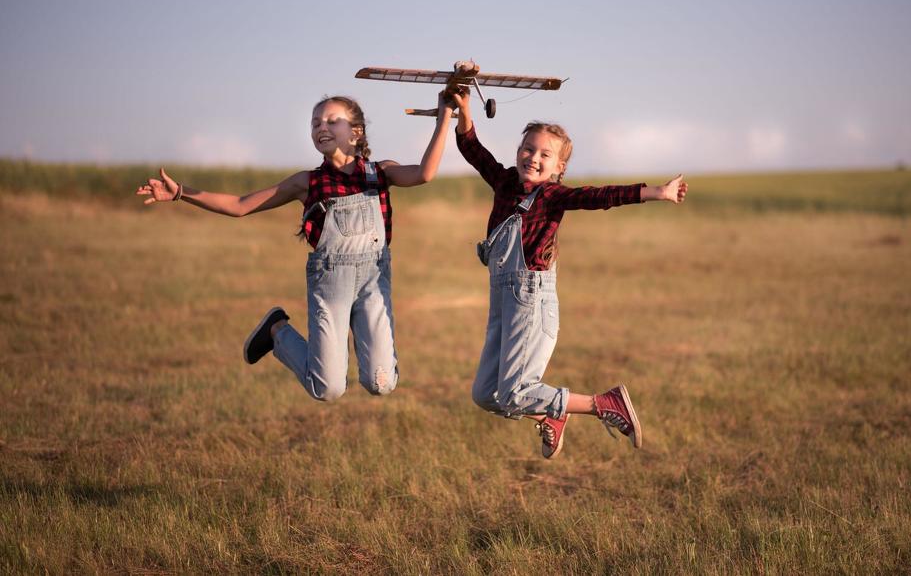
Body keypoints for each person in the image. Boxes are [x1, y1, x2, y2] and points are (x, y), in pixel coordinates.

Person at [136, 92, 455, 401]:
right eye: (316, 123)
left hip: (374, 282)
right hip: (331, 286)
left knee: (381, 383)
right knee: (327, 389)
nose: (322, 127)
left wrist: (444, 119)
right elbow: (240, 204)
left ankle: (291, 335)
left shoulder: (380, 172)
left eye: (333, 121)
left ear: (356, 132)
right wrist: (182, 192)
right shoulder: (307, 182)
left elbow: (425, 174)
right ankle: (277, 330)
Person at [452, 89, 688, 458]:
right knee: (486, 394)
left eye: (545, 154)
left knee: (515, 391)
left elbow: (601, 196)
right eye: (528, 149)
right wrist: (464, 108)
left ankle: (604, 403)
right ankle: (551, 413)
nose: (533, 157)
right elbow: (471, 148)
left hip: (530, 301)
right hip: (501, 301)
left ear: (559, 168)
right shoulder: (503, 183)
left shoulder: (553, 197)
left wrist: (657, 191)